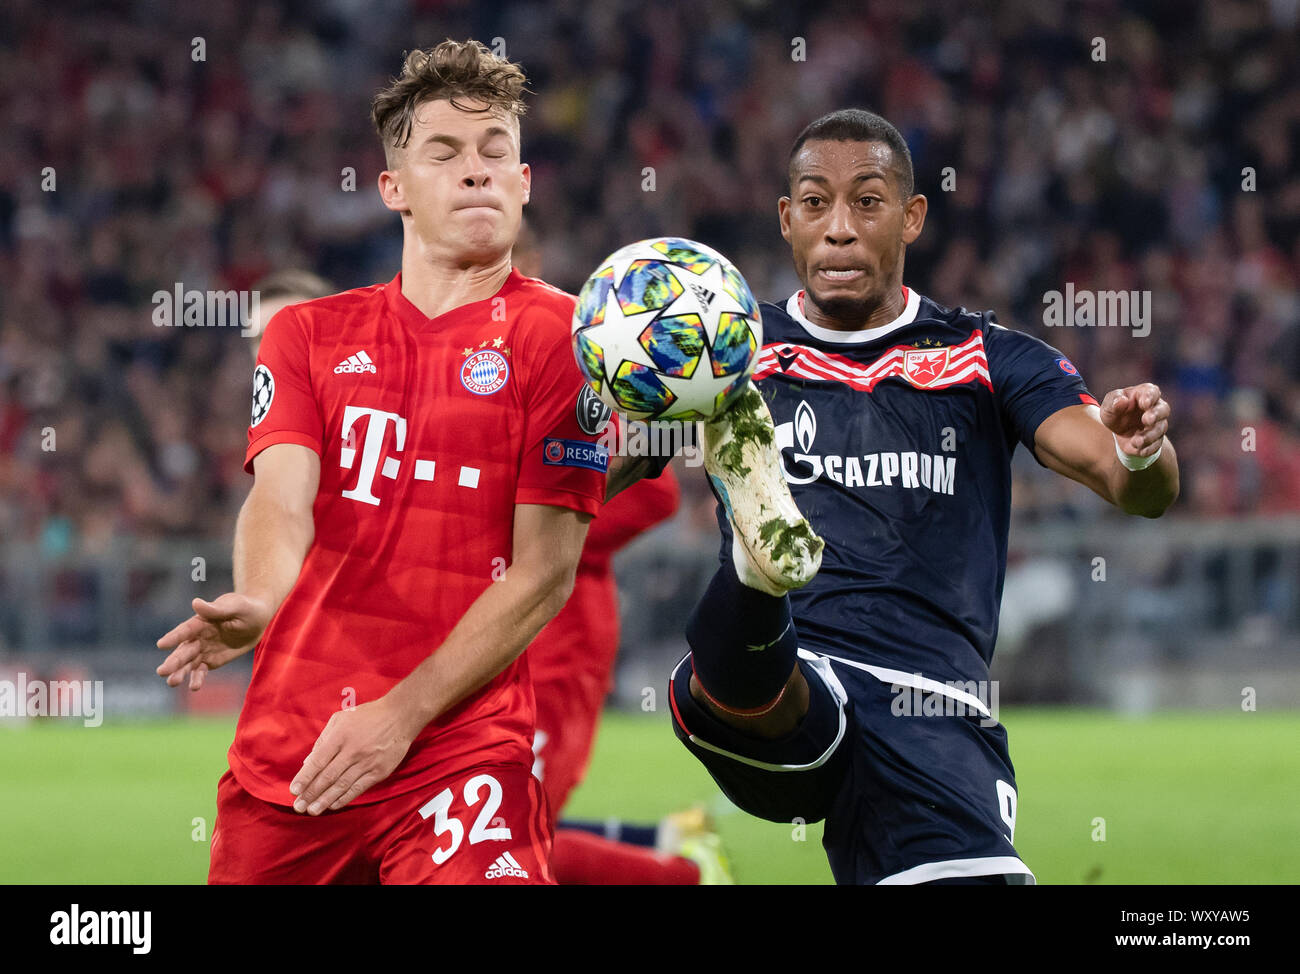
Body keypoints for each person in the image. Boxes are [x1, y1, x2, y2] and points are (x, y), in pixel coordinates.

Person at [660, 108, 1179, 884]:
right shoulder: (732, 348)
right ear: (785, 219)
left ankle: (755, 568)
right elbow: (590, 476)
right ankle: (761, 570)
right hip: (792, 682)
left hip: (928, 705)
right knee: (746, 659)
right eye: (813, 203)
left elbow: (1126, 481)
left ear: (911, 218)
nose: (838, 229)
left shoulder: (988, 357)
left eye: (866, 203)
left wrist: (1142, 449)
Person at [156, 39, 609, 884]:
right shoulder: (306, 336)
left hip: (460, 759)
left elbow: (543, 574)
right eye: (444, 153)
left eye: (495, 153)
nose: (476, 171)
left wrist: (399, 715)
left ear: (523, 182)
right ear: (393, 189)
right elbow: (282, 501)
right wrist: (258, 598)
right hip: (294, 760)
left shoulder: (568, 340)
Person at [512, 220, 731, 884]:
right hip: (483, 638)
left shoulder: (566, 349)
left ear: (529, 257)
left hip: (557, 639)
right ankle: (670, 843)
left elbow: (653, 491)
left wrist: (525, 526)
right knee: (473, 823)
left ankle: (682, 876)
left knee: (504, 835)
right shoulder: (464, 353)